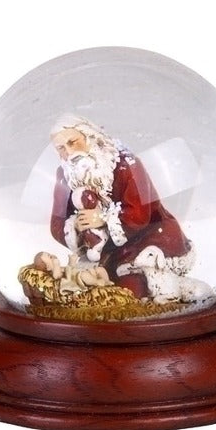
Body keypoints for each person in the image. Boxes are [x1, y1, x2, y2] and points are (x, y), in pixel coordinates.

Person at [49, 115, 192, 298]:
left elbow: (140, 214)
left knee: (130, 291)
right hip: (104, 252)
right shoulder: (65, 174)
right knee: (85, 290)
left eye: (72, 142)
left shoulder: (126, 164)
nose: (69, 152)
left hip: (147, 237)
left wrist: (102, 218)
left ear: (90, 137)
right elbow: (57, 223)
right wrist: (76, 225)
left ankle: (174, 288)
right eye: (61, 148)